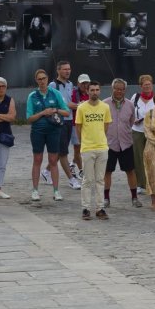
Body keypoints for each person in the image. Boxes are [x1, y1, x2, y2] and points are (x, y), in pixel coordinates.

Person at [25, 69, 69, 203]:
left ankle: (56, 191)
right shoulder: (32, 96)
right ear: (36, 80)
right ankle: (35, 191)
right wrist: (43, 113)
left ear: (47, 79)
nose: (42, 81)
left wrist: (55, 110)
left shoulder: (55, 93)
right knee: (37, 159)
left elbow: (66, 112)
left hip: (54, 131)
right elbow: (29, 118)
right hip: (37, 131)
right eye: (39, 79)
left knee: (53, 160)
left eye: (44, 78)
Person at [75, 81, 111, 220]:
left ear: (100, 91)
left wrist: (101, 140)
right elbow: (78, 127)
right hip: (88, 148)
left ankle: (100, 208)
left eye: (97, 90)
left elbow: (106, 125)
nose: (94, 92)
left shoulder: (105, 107)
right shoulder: (82, 108)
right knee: (87, 179)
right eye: (92, 90)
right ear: (87, 91)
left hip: (102, 147)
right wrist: (84, 142)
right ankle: (85, 208)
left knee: (100, 179)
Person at [104, 78, 139, 208]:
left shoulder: (130, 104)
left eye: (122, 89)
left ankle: (134, 197)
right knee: (107, 171)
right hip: (109, 143)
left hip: (126, 143)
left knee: (130, 171)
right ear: (112, 89)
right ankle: (106, 198)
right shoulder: (104, 104)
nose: (119, 91)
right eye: (116, 88)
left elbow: (131, 121)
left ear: (125, 90)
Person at [51, 62, 82, 190]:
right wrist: (76, 105)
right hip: (59, 121)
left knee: (62, 150)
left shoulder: (70, 84)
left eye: (69, 69)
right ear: (58, 70)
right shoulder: (53, 85)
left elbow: (72, 102)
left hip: (70, 121)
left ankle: (47, 172)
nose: (67, 71)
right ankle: (71, 179)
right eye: (64, 69)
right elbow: (60, 103)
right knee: (63, 152)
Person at [129, 75, 155, 193]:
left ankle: (152, 182)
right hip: (137, 131)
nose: (147, 87)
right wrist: (132, 119)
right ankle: (140, 184)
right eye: (145, 85)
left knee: (151, 157)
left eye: (149, 84)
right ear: (140, 86)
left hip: (152, 132)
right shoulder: (135, 97)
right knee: (138, 158)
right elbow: (129, 111)